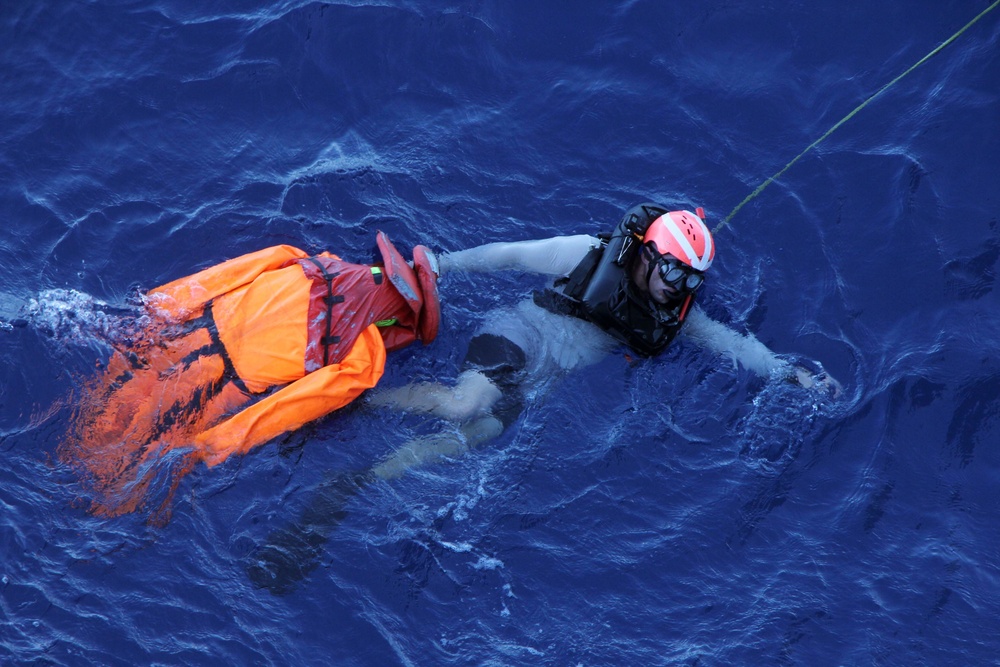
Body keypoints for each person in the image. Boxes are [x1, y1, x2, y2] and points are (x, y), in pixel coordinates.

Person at [245, 203, 840, 593]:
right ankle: (356, 402)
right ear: (650, 255)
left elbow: (735, 345)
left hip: (537, 383)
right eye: (674, 273)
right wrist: (438, 268)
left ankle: (358, 480)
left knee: (477, 437)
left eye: (691, 281)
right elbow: (510, 253)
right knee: (462, 407)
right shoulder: (587, 254)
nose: (678, 290)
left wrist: (793, 377)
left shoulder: (674, 316)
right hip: (515, 336)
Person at [57, 232, 441, 518]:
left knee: (108, 401)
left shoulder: (306, 260)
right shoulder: (364, 355)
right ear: (399, 318)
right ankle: (91, 522)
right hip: (219, 389)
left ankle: (56, 464)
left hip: (182, 335)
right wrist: (217, 443)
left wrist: (154, 314)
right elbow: (288, 408)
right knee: (146, 461)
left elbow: (219, 277)